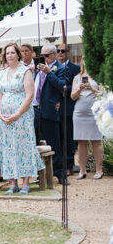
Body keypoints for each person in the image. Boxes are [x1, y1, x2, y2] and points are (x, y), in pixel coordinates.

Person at [0, 43, 44, 194]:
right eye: (7, 53)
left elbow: (30, 95)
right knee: (8, 147)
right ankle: (12, 182)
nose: (9, 55)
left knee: (23, 146)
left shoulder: (25, 71)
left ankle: (26, 182)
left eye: (12, 53)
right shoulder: (2, 73)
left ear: (18, 54)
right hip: (5, 117)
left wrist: (17, 114)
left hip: (22, 116)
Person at [36, 44, 67, 184]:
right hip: (36, 110)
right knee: (37, 143)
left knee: (54, 143)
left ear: (54, 54)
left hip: (50, 110)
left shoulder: (61, 68)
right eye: (42, 56)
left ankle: (60, 173)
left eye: (47, 55)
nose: (44, 58)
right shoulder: (39, 69)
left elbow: (62, 86)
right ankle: (40, 174)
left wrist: (49, 73)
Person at [71, 61, 104, 179]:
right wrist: (79, 89)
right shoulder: (77, 77)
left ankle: (99, 170)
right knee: (81, 141)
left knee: (96, 140)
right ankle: (82, 170)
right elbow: (73, 96)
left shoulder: (98, 75)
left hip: (94, 112)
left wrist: (91, 88)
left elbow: (104, 94)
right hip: (80, 112)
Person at [56, 44, 80, 174]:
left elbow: (77, 87)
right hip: (54, 107)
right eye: (58, 51)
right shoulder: (53, 67)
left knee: (69, 137)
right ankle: (59, 165)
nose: (60, 53)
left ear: (69, 53)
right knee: (58, 138)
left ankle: (69, 165)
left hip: (69, 106)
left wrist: (63, 88)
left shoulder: (75, 68)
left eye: (63, 51)